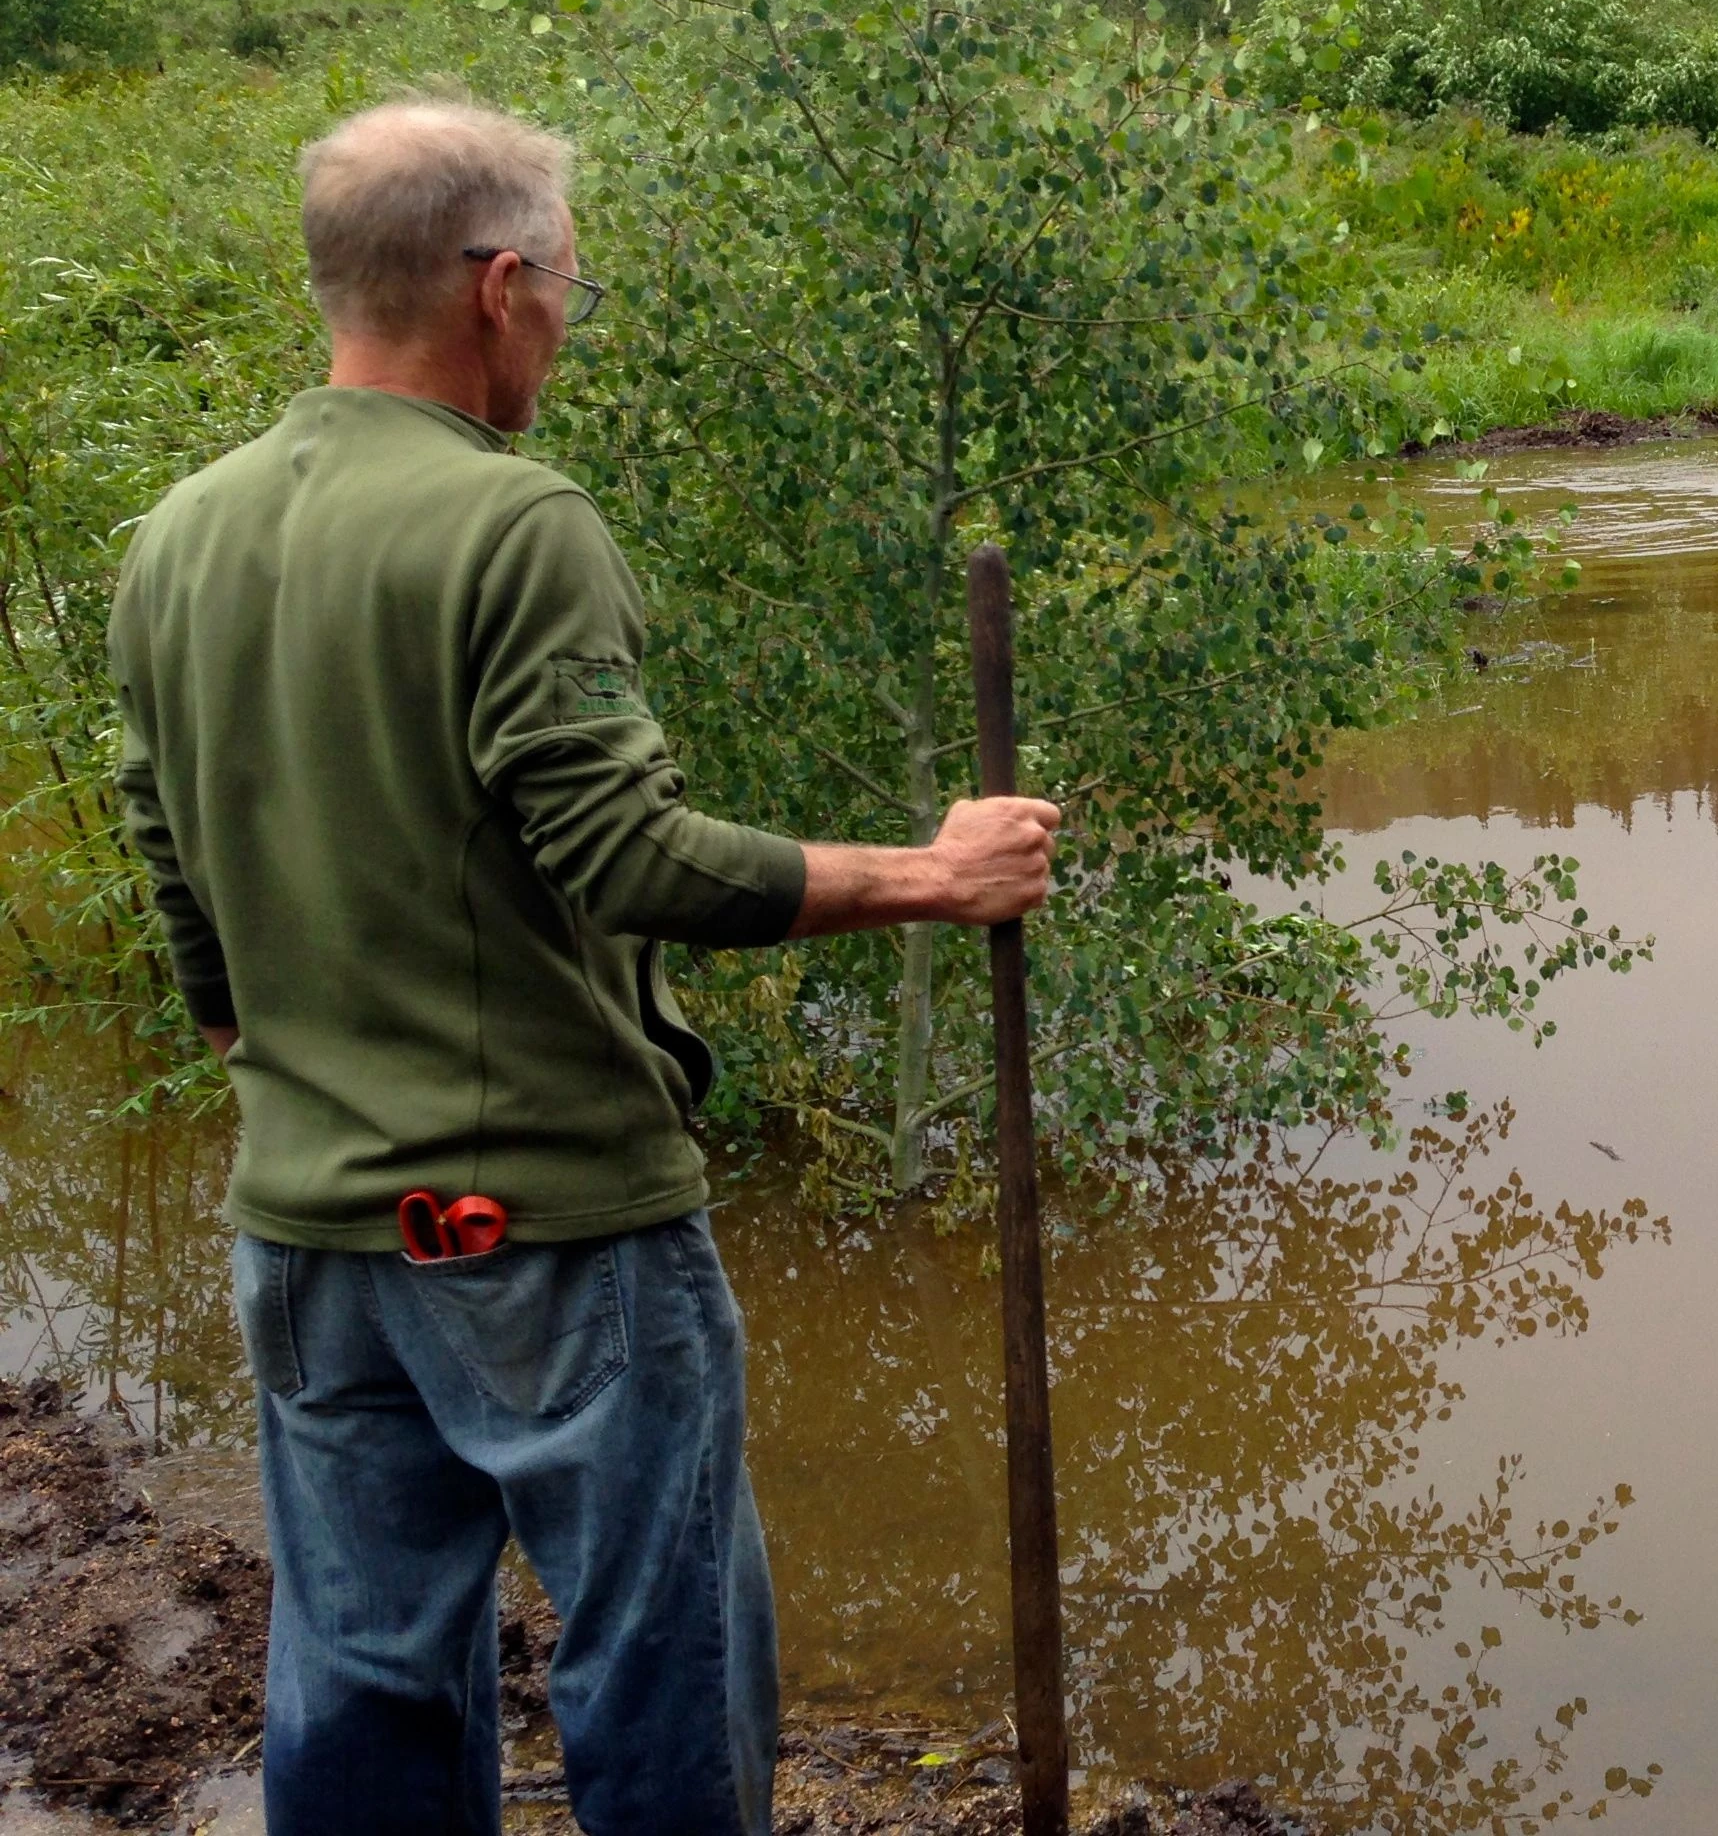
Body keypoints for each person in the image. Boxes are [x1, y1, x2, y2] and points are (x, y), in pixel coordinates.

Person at [107, 98, 1059, 1835]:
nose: (565, 316)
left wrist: (256, 1032)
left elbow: (164, 836)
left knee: (364, 1666)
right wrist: (936, 874)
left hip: (309, 1226)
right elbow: (629, 861)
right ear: (496, 284)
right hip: (550, 1225)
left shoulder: (181, 534)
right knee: (657, 1661)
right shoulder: (514, 525)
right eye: (566, 283)